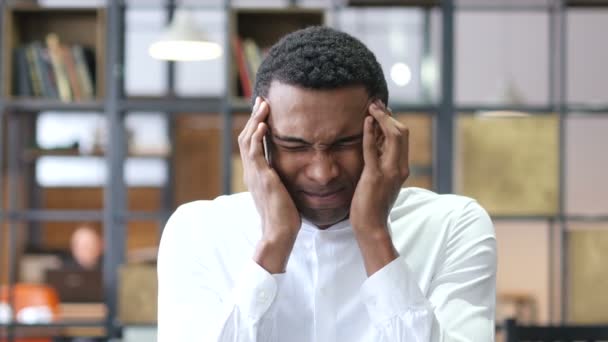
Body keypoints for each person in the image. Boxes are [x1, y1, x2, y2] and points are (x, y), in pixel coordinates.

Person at [158, 26, 496, 341]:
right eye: (295, 146)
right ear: (257, 141)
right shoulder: (196, 232)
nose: (323, 173)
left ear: (382, 134)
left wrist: (374, 236)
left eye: (345, 143)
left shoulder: (454, 227)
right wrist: (274, 243)